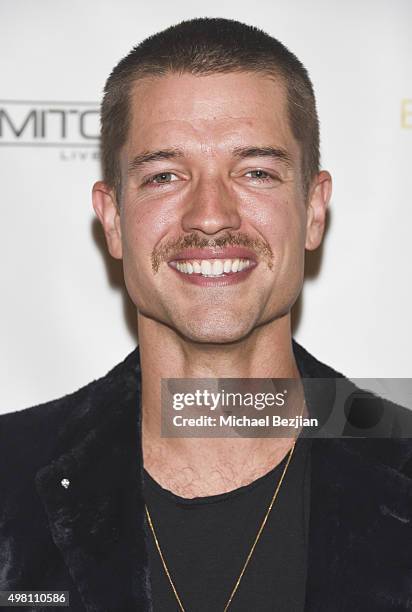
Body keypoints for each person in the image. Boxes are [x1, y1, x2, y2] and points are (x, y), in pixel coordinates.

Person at [1, 17, 411, 612]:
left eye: (255, 173)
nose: (211, 216)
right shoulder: (9, 475)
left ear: (314, 209)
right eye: (165, 175)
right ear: (113, 218)